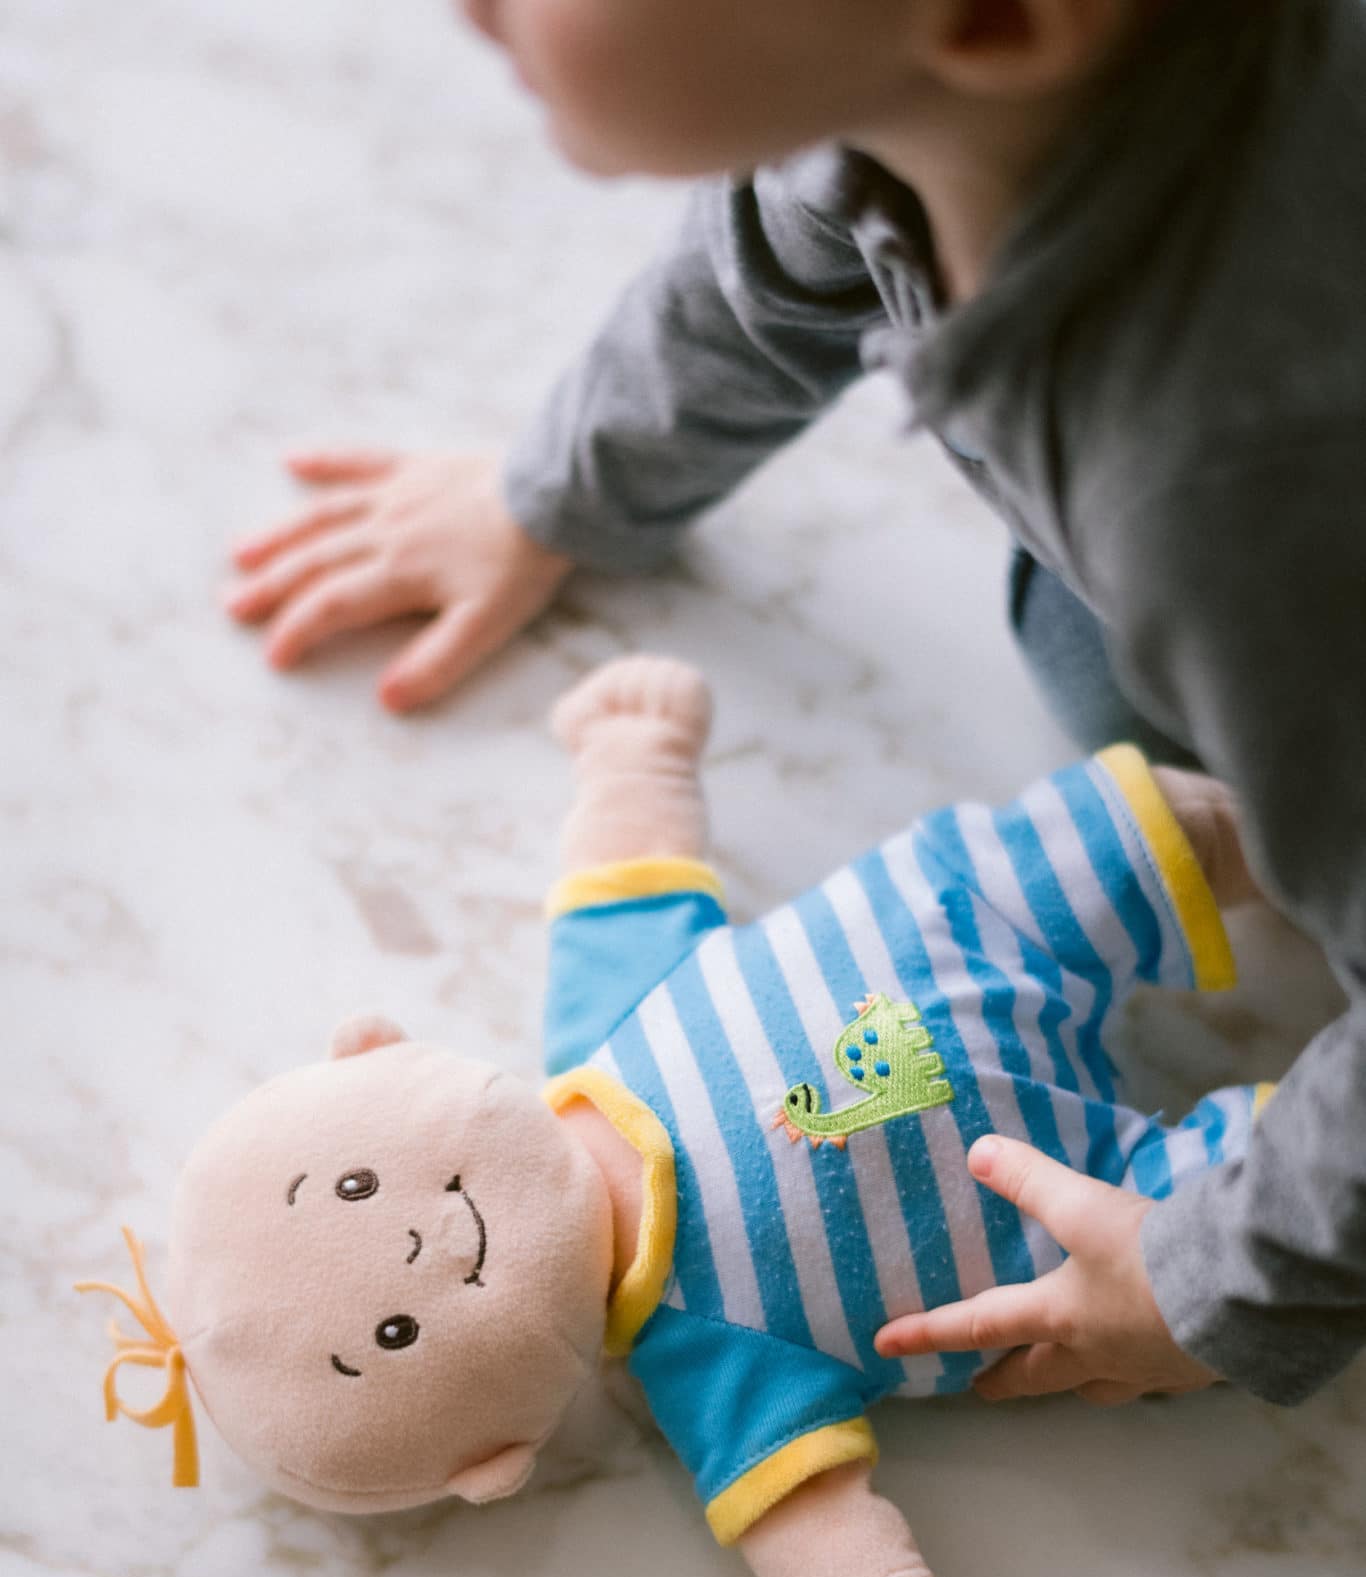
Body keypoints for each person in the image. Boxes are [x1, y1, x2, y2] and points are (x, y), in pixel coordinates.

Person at [223, 0, 1366, 1410]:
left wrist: (1214, 1277)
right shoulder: (911, 113)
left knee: (1103, 684)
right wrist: (558, 492)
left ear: (1001, 24)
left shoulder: (1231, 504)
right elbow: (766, 258)